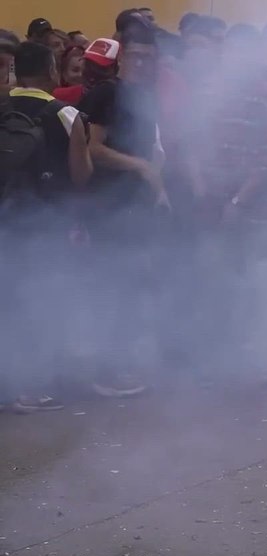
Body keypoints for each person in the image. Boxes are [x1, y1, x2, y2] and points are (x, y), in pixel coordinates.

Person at [0, 41, 93, 413]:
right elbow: (81, 174)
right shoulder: (66, 114)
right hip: (47, 223)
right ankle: (32, 389)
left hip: (7, 217)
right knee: (41, 303)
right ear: (52, 69)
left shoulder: (2, 106)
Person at [77, 22, 164, 398]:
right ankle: (106, 372)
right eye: (137, 56)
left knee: (131, 286)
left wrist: (158, 187)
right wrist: (139, 167)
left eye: (150, 57)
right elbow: (91, 147)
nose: (143, 63)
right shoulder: (108, 94)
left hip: (135, 207)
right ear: (122, 55)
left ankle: (119, 362)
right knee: (112, 288)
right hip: (107, 206)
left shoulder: (144, 97)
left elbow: (152, 151)